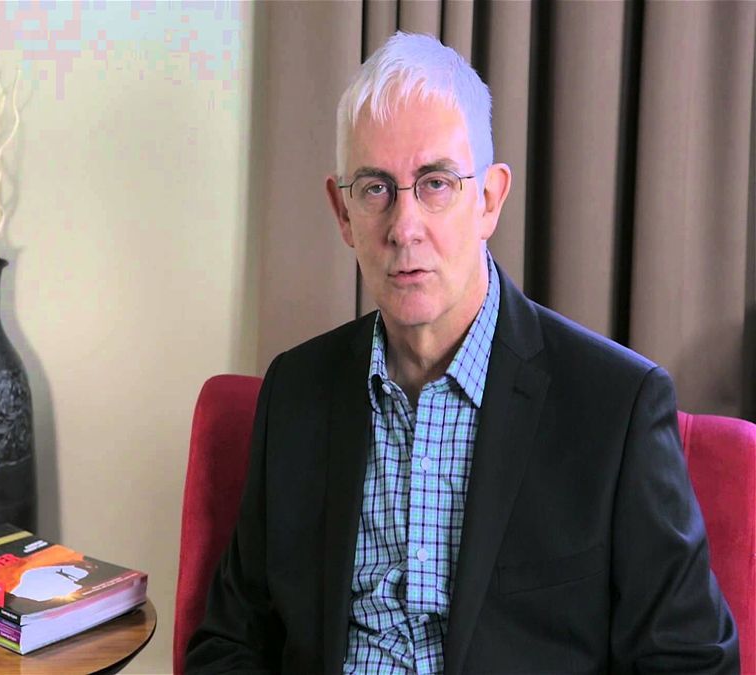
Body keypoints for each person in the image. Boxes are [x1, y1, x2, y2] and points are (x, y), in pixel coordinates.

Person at [186, 32, 738, 674]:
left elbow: (691, 663)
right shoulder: (296, 391)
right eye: (375, 188)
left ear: (489, 200)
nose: (404, 227)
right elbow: (230, 644)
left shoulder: (615, 408)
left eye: (436, 183)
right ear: (342, 212)